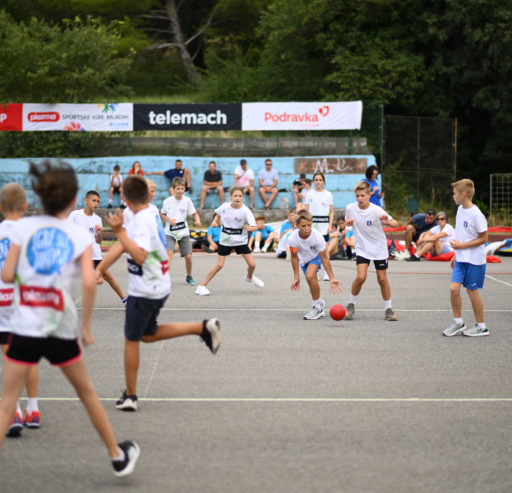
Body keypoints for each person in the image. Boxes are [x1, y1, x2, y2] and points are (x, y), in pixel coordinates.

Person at [0, 160, 140, 477]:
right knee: (87, 392)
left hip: (24, 327)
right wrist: (86, 326)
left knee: (7, 401)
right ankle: (117, 455)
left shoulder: (23, 227)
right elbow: (90, 282)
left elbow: (7, 274)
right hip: (60, 328)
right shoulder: (77, 236)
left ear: (38, 198)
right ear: (74, 200)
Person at [97, 175, 221, 412]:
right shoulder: (138, 212)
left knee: (131, 339)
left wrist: (118, 232)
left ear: (125, 198)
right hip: (155, 284)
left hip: (147, 287)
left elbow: (140, 255)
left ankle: (131, 395)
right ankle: (202, 328)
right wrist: (101, 268)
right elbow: (123, 245)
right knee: (148, 334)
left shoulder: (143, 218)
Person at [0, 183, 40, 437]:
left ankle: (12, 411)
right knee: (28, 357)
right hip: (25, 301)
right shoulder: (31, 234)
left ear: (1, 208)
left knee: (9, 357)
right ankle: (33, 409)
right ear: (26, 207)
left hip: (3, 300)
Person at [344, 181, 399, 321]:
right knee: (361, 277)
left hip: (379, 248)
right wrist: (348, 224)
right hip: (362, 248)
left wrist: (387, 222)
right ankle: (350, 305)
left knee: (382, 279)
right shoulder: (350, 208)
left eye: (362, 195)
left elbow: (396, 223)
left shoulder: (376, 210)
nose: (360, 198)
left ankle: (388, 309)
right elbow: (347, 223)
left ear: (369, 195)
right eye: (357, 196)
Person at [195, 186, 264, 296]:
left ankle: (249, 277)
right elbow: (217, 214)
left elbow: (254, 226)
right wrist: (214, 222)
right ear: (230, 197)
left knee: (252, 265)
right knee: (219, 265)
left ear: (243, 198)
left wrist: (250, 228)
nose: (237, 198)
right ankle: (202, 286)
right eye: (235, 196)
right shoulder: (225, 207)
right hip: (226, 240)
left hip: (240, 241)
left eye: (240, 196)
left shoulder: (246, 211)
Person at [443, 179, 488, 337]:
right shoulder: (460, 209)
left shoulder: (477, 215)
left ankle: (481, 326)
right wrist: (456, 254)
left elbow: (484, 239)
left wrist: (462, 246)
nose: (453, 196)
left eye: (455, 193)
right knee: (453, 288)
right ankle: (458, 322)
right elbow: (461, 234)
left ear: (463, 195)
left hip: (475, 260)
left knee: (471, 291)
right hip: (461, 259)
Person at [69, 191, 127, 304]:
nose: (96, 203)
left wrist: (99, 233)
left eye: (98, 202)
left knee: (108, 276)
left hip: (94, 254)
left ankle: (124, 299)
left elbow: (98, 241)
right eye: (93, 200)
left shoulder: (97, 219)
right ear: (86, 200)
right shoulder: (75, 215)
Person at [288, 210, 342, 320]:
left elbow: (325, 258)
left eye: (309, 225)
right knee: (311, 281)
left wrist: (332, 277)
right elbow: (294, 258)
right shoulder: (292, 239)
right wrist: (296, 277)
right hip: (304, 260)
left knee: (309, 276)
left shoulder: (317, 237)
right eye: (303, 226)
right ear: (296, 226)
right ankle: (319, 302)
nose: (307, 228)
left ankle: (317, 307)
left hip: (316, 256)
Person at [160, 178, 201, 286]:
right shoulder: (168, 201)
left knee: (188, 256)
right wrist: (169, 220)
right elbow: (162, 214)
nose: (180, 191)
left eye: (182, 188)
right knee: (169, 253)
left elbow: (195, 213)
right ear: (173, 189)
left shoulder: (187, 201)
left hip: (183, 232)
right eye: (178, 188)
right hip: (170, 232)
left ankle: (189, 276)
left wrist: (197, 220)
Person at [305, 172, 334, 280]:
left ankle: (327, 272)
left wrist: (330, 225)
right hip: (313, 226)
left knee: (325, 250)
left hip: (324, 226)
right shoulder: (309, 194)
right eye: (316, 180)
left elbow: (331, 211)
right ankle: (314, 271)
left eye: (320, 180)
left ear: (323, 181)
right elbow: (306, 211)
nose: (318, 182)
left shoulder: (328, 194)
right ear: (313, 181)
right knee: (313, 250)